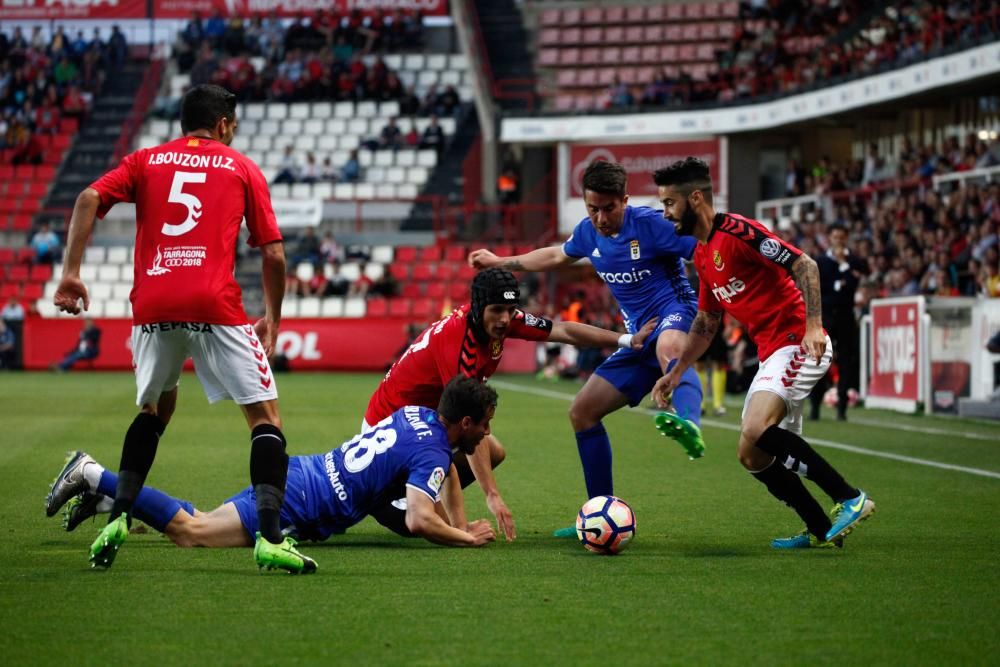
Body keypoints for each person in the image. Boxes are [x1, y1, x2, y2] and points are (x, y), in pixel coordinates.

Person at [51, 84, 313, 573]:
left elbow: (88, 197)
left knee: (155, 409)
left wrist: (71, 271)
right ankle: (272, 538)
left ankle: (121, 515)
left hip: (153, 303)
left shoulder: (146, 160)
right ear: (223, 125)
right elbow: (273, 253)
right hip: (214, 302)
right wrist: (273, 319)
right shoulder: (240, 167)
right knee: (265, 419)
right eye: (232, 124)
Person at [650, 157, 875, 549]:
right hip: (773, 351)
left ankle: (849, 497)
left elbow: (803, 263)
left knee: (755, 429)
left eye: (670, 203)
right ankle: (820, 529)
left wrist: (813, 325)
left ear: (696, 198)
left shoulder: (738, 232)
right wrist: (675, 371)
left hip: (798, 340)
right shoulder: (702, 254)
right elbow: (705, 323)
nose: (665, 212)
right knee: (750, 453)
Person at [469, 161, 705, 535]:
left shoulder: (650, 225)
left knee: (670, 345)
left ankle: (689, 422)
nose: (600, 217)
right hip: (636, 339)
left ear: (625, 200)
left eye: (608, 208)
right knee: (582, 412)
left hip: (675, 315)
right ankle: (599, 514)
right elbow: (553, 256)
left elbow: (704, 243)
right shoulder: (588, 233)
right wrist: (502, 262)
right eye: (592, 209)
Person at [45, 376, 499, 560]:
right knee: (191, 533)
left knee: (197, 522)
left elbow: (446, 477)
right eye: (485, 425)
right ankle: (92, 474)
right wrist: (465, 535)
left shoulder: (418, 414)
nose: (487, 434)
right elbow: (418, 518)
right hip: (301, 503)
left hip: (304, 473)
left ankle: (108, 498)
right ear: (464, 422)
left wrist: (458, 518)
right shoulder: (435, 452)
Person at [365, 267, 657, 540]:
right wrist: (490, 495)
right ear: (479, 307)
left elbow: (563, 331)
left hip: (421, 421)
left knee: (493, 450)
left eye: (510, 309)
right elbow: (466, 422)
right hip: (391, 429)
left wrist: (626, 339)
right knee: (428, 517)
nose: (505, 319)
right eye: (497, 311)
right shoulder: (459, 345)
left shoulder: (502, 320)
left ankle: (417, 494)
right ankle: (391, 498)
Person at [809, 222, 868, 421]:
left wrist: (844, 272)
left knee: (845, 362)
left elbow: (855, 283)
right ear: (830, 238)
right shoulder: (820, 261)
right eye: (835, 236)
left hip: (845, 317)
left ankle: (842, 408)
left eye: (842, 237)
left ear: (846, 238)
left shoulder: (854, 260)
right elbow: (820, 287)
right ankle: (815, 407)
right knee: (818, 360)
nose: (838, 240)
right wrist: (841, 281)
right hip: (826, 317)